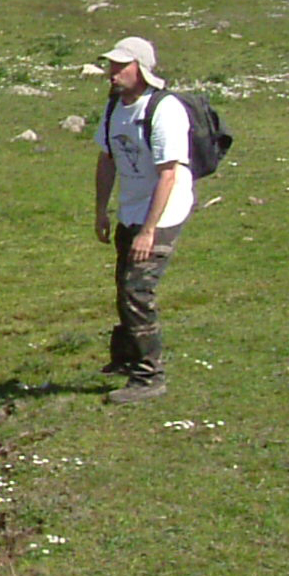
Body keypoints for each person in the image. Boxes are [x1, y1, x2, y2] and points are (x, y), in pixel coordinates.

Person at [94, 36, 193, 404]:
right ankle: (126, 357)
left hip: (164, 211)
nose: (113, 72)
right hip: (131, 210)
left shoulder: (164, 109)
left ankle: (150, 377)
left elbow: (168, 175)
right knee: (125, 284)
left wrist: (149, 231)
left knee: (137, 290)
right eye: (111, 65)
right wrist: (101, 210)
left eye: (122, 66)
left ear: (142, 69)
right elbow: (106, 159)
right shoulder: (114, 108)